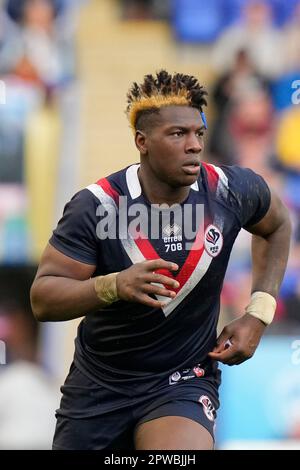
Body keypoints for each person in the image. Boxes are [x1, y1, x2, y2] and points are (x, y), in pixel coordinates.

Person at [30, 70, 291, 450]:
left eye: (199, 133)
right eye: (177, 134)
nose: (194, 145)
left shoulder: (230, 190)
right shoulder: (97, 206)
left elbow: (278, 224)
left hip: (183, 379)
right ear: (142, 141)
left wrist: (258, 312)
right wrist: (113, 285)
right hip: (101, 386)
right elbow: (43, 298)